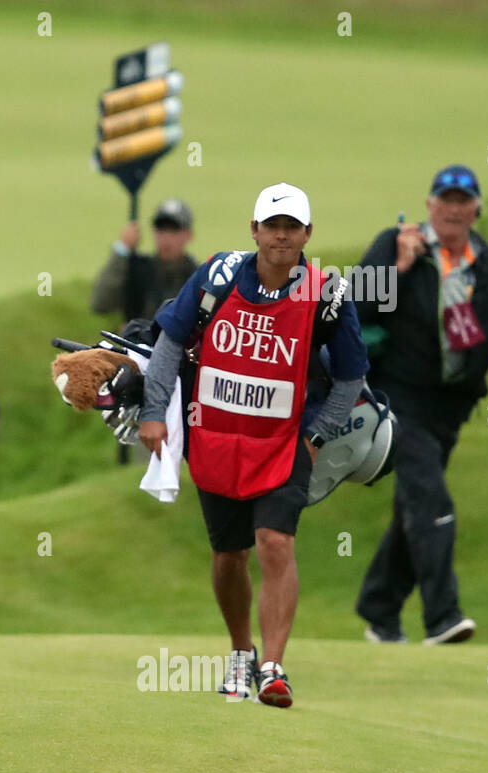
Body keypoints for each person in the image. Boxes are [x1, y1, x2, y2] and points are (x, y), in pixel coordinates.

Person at [138, 183, 369, 707]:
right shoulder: (217, 276)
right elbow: (170, 342)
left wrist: (316, 434)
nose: (281, 235)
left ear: (307, 234)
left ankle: (272, 666)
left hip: (285, 443)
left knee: (275, 541)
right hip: (215, 439)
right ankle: (241, 653)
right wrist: (154, 412)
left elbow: (353, 377)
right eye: (272, 225)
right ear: (255, 230)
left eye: (292, 227)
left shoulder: (326, 293)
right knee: (228, 555)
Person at [354, 165, 488, 645]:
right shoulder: (397, 244)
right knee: (431, 499)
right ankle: (442, 617)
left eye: (464, 200)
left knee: (415, 505)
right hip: (396, 398)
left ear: (476, 207)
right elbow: (352, 307)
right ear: (430, 204)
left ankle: (379, 609)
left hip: (450, 407)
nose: (455, 208)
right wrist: (397, 269)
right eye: (446, 199)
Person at [91, 198, 197, 323]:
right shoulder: (138, 269)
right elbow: (101, 304)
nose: (166, 237)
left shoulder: (197, 276)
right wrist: (122, 250)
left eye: (174, 230)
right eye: (161, 229)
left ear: (188, 235)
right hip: (135, 340)